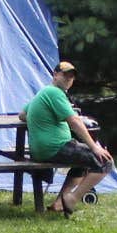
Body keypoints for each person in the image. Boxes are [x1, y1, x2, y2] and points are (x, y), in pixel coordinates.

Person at [22, 60, 111, 216]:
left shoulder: (45, 92)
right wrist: (94, 146)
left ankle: (59, 203)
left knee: (81, 164)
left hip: (42, 149)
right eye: (65, 75)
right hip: (55, 147)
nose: (68, 79)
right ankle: (73, 198)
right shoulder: (55, 93)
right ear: (55, 75)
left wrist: (44, 118)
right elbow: (75, 121)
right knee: (105, 162)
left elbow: (23, 115)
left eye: (71, 77)